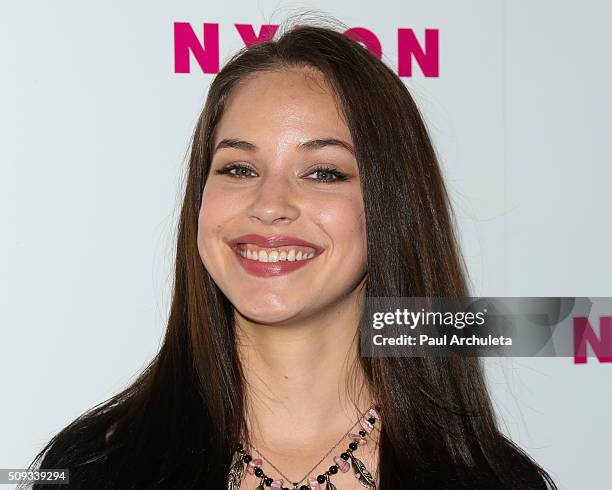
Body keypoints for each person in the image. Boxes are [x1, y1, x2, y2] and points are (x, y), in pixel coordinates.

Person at [27, 16, 557, 490]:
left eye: (323, 172)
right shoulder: (88, 468)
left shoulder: (494, 481)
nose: (270, 204)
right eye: (239, 168)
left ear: (391, 205)